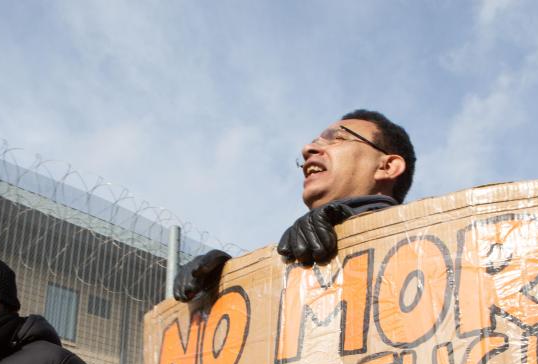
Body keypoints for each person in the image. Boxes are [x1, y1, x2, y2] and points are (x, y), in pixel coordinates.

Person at [173, 109, 416, 301]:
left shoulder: (423, 256)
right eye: (314, 142)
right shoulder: (301, 256)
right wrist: (226, 287)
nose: (308, 149)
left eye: (337, 138)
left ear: (387, 166)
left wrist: (360, 215)